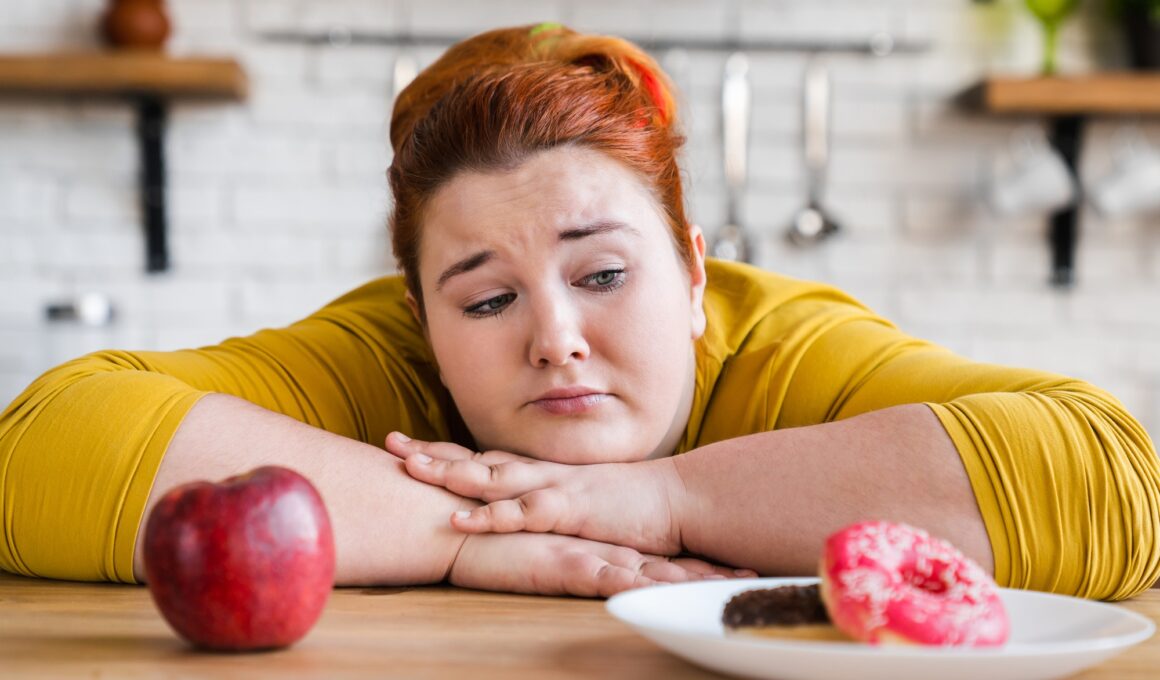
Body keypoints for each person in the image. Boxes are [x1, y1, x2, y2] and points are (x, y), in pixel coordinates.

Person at [1, 24, 1157, 602]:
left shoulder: (783, 342)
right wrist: (460, 536)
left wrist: (659, 497)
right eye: (489, 297)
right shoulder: (386, 353)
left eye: (603, 275)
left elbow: (1108, 477)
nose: (551, 335)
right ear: (421, 313)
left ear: (697, 274)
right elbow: (47, 444)